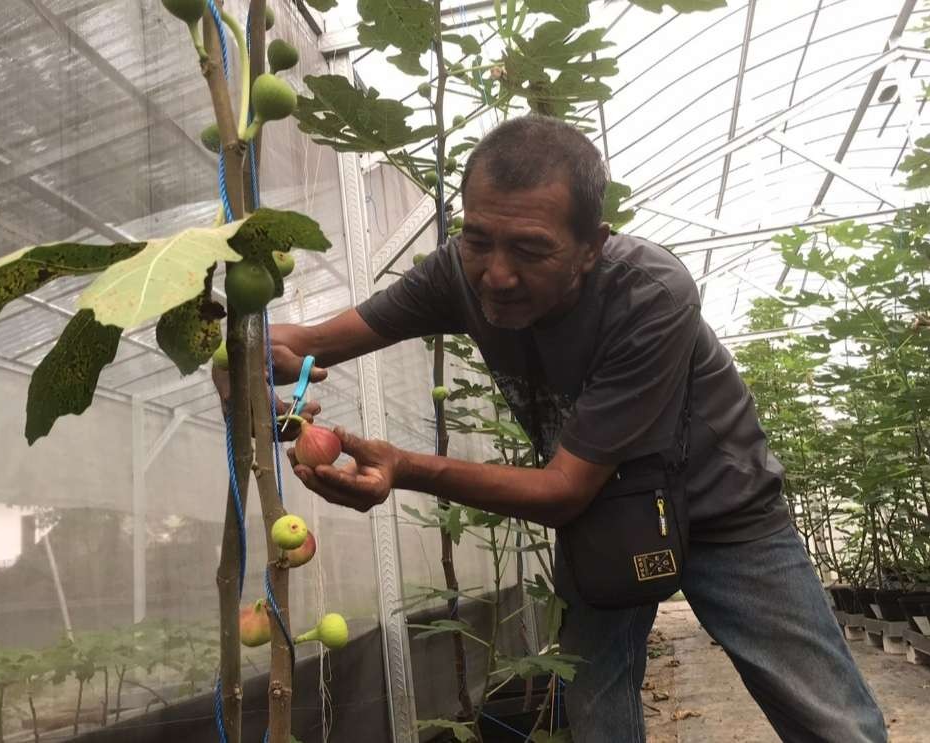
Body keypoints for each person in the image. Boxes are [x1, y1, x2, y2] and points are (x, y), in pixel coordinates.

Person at [215, 115, 887, 742]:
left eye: (531, 250)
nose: (497, 275)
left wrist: (405, 467)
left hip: (724, 507)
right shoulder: (461, 269)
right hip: (606, 514)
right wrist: (241, 356)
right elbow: (310, 342)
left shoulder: (649, 292)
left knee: (826, 715)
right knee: (594, 711)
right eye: (478, 239)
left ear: (592, 247)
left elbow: (563, 488)